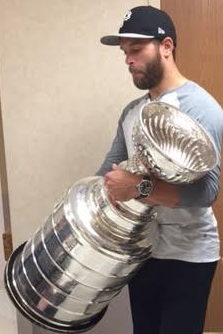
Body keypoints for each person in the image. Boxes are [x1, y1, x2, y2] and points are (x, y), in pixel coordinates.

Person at [96, 5, 223, 334]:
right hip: (142, 251)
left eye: (136, 50)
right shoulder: (132, 111)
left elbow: (206, 192)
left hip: (189, 255)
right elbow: (107, 172)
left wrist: (138, 187)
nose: (128, 60)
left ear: (166, 46)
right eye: (125, 52)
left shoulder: (201, 107)